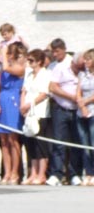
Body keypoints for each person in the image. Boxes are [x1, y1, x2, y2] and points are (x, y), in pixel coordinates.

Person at [46, 39, 80, 185]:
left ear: (64, 49)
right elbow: (53, 87)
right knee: (58, 142)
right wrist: (71, 96)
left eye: (57, 51)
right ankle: (56, 174)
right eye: (53, 51)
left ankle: (74, 174)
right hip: (60, 108)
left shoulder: (74, 63)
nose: (55, 54)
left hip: (75, 110)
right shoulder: (55, 66)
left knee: (75, 143)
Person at [0, 41, 27, 185]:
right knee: (4, 141)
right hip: (3, 100)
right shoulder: (4, 68)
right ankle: (6, 172)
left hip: (13, 101)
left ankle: (15, 172)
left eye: (9, 53)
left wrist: (4, 53)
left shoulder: (20, 68)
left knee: (13, 140)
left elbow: (7, 67)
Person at [21, 49, 53, 185]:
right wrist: (22, 105)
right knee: (30, 144)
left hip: (40, 113)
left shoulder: (46, 74)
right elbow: (24, 91)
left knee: (41, 144)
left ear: (39, 61)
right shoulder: (28, 74)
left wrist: (30, 104)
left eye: (32, 61)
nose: (29, 63)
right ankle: (33, 173)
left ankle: (41, 174)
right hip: (28, 113)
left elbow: (44, 93)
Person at [75, 50, 94, 184]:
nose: (85, 62)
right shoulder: (82, 75)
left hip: (93, 111)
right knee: (84, 144)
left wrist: (86, 102)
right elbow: (78, 92)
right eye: (85, 59)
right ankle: (88, 173)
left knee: (93, 143)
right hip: (82, 112)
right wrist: (82, 106)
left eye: (88, 59)